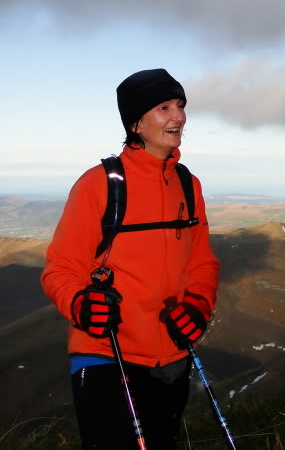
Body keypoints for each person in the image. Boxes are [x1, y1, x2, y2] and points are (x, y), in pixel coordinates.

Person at [41, 68, 220, 450]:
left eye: (181, 106)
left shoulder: (189, 184)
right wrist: (80, 304)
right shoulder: (98, 184)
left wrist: (199, 306)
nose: (179, 117)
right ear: (136, 123)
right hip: (105, 353)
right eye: (164, 107)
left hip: (172, 356)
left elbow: (202, 264)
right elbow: (62, 267)